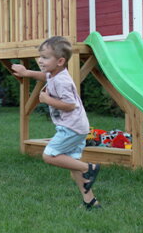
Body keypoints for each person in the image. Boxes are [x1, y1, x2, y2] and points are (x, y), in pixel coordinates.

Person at [12, 36, 101, 210]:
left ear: (60, 61)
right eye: (40, 56)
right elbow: (44, 76)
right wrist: (26, 73)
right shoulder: (55, 74)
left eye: (45, 57)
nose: (40, 60)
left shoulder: (61, 81)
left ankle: (89, 167)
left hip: (71, 127)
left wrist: (47, 100)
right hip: (77, 126)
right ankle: (90, 201)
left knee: (49, 155)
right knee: (72, 166)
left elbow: (70, 105)